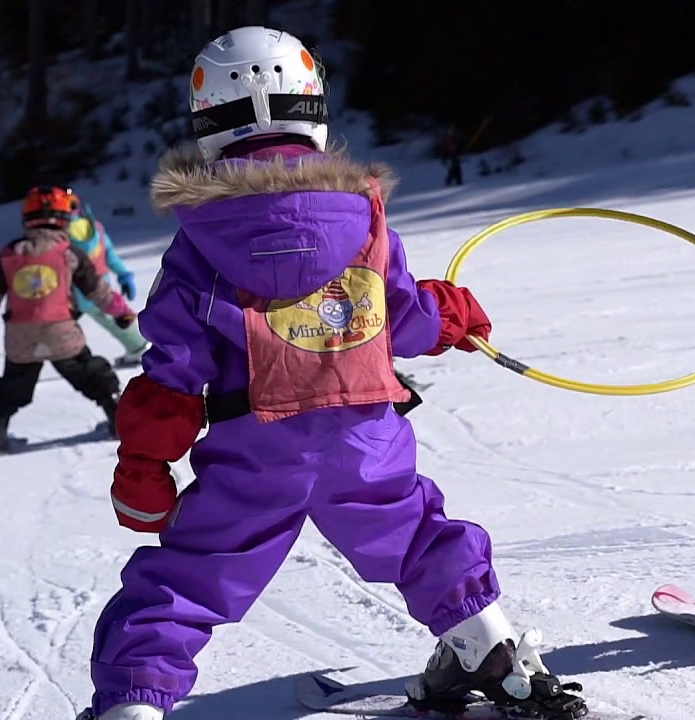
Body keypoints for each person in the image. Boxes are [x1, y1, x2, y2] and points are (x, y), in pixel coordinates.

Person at [75, 26, 585, 720]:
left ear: (208, 125)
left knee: (190, 576)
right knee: (415, 533)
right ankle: (490, 647)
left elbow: (173, 368)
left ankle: (135, 701)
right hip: (363, 433)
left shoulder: (202, 238)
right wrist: (451, 315)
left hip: (253, 446)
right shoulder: (364, 219)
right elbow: (400, 316)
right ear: (313, 108)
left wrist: (144, 462)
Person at [0, 185, 136, 456]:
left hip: (20, 337)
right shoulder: (70, 253)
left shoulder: (9, 254)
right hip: (61, 332)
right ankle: (116, 416)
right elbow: (99, 293)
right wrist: (122, 312)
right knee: (91, 372)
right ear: (65, 218)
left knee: (12, 385)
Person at [67, 198, 152, 367]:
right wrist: (124, 275)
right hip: (101, 286)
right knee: (113, 315)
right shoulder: (95, 227)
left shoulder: (61, 235)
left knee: (55, 326)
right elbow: (110, 255)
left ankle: (139, 349)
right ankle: (138, 348)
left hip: (76, 292)